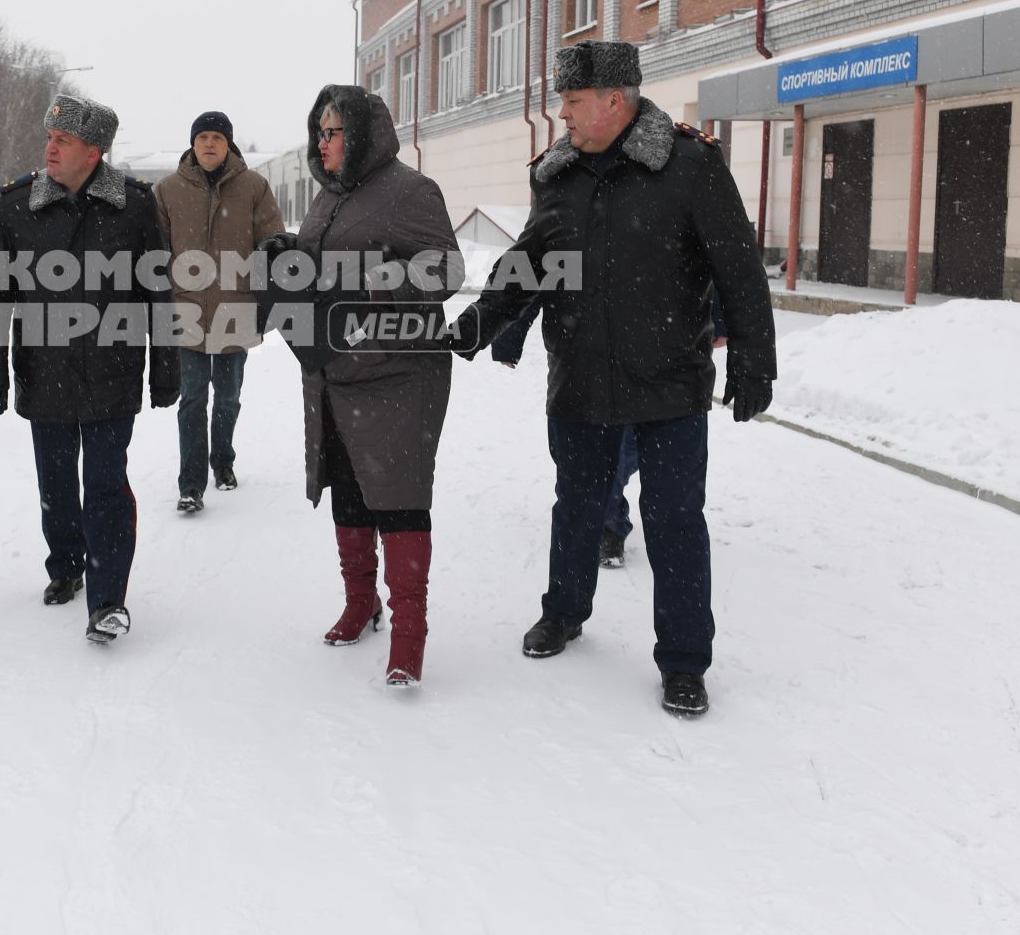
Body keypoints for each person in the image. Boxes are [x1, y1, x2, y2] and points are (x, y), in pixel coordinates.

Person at [451, 42, 775, 717]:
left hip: (670, 381)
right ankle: (564, 614)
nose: (560, 114)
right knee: (577, 507)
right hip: (580, 377)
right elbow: (529, 262)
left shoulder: (689, 165)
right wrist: (479, 324)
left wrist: (754, 354)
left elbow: (737, 266)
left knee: (675, 522)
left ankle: (684, 662)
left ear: (614, 101)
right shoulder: (558, 173)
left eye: (571, 102)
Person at [263, 84, 459, 689]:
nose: (321, 144)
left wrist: (364, 284)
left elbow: (445, 270)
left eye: (333, 132)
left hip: (396, 375)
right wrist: (288, 256)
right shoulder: (327, 200)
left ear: (364, 136)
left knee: (398, 501)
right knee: (347, 492)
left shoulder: (410, 191)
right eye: (318, 133)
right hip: (333, 371)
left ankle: (409, 633)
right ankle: (360, 602)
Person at [0, 92, 180, 645]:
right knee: (58, 484)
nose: (50, 149)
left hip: (113, 371)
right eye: (49, 138)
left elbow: (157, 289)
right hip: (45, 371)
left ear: (94, 152)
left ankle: (108, 599)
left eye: (61, 141)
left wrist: (166, 366)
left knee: (106, 485)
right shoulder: (18, 205)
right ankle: (65, 564)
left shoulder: (134, 205)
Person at [490, 290, 727, 569]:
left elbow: (706, 257)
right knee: (590, 453)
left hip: (656, 349)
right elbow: (533, 264)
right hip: (581, 352)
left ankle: (607, 518)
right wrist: (509, 334)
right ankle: (606, 521)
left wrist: (721, 317)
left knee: (629, 448)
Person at [152, 110, 285, 514]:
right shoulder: (168, 190)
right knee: (192, 399)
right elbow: (155, 255)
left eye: (217, 137)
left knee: (227, 397)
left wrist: (266, 304)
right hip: (185, 311)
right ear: (193, 143)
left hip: (235, 308)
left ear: (228, 144)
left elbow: (274, 246)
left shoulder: (254, 187)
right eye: (202, 136)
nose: (209, 143)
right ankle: (191, 485)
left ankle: (223, 463)